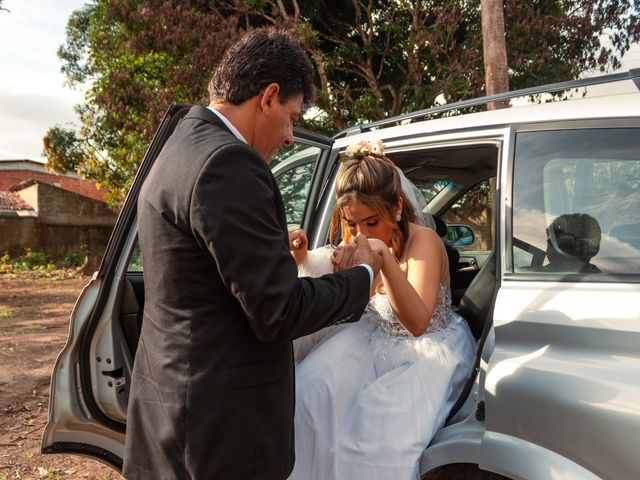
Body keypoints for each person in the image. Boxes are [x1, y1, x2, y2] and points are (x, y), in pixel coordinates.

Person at [123, 28, 382, 480]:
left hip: (172, 413)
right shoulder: (230, 163)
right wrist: (363, 273)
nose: (288, 137)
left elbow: (197, 266)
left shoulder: (178, 146)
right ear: (268, 97)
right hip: (218, 435)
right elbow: (278, 311)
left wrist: (266, 251)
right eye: (291, 117)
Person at [287, 140, 476, 480]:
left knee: (372, 442)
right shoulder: (358, 237)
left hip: (425, 352)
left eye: (371, 222)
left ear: (398, 207)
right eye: (352, 224)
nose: (361, 234)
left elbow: (418, 322)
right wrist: (301, 257)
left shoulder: (424, 243)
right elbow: (334, 273)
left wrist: (384, 259)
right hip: (372, 337)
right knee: (306, 391)